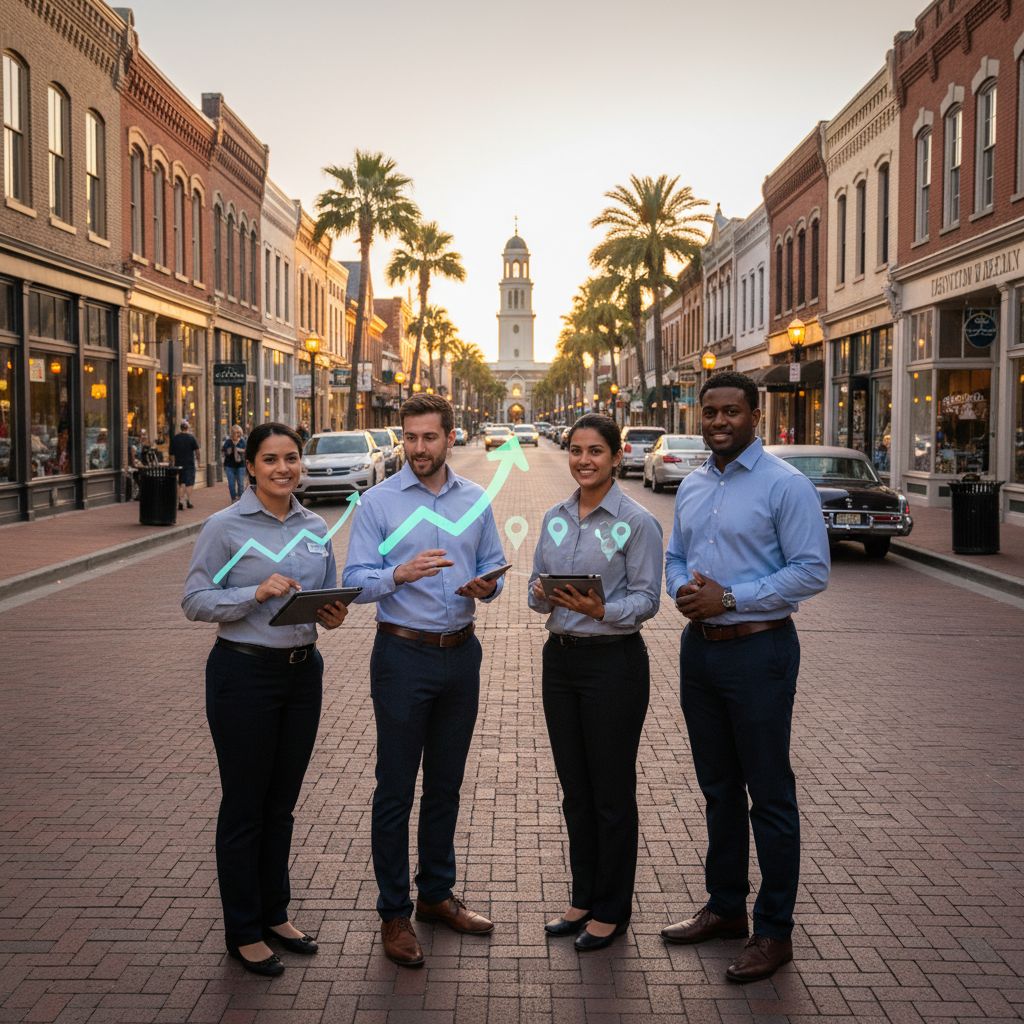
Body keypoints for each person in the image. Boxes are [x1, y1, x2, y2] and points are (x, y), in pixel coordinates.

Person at [662, 371, 830, 983]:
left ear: (754, 414)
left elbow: (812, 571)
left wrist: (730, 599)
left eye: (731, 411)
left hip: (760, 652)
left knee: (769, 792)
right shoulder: (693, 484)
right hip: (699, 651)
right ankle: (726, 907)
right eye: (710, 413)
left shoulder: (785, 485)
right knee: (718, 788)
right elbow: (676, 555)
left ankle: (774, 930)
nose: (719, 422)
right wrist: (681, 586)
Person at [343, 393, 507, 968]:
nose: (418, 448)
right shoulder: (379, 504)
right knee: (394, 788)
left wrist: (489, 586)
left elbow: (493, 564)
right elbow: (356, 582)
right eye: (410, 438)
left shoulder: (475, 500)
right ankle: (394, 912)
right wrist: (398, 573)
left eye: (429, 437)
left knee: (445, 785)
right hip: (402, 655)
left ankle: (436, 894)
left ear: (448, 435)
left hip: (461, 656)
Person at [182, 422, 349, 978]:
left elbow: (324, 592)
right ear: (250, 465)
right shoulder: (224, 526)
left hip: (303, 674)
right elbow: (196, 600)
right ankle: (244, 930)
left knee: (281, 803)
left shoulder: (314, 526)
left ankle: (275, 913)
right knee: (245, 806)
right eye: (272, 459)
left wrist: (332, 612)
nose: (284, 468)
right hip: (243, 675)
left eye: (292, 459)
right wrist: (252, 592)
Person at [528, 413, 663, 952]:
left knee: (611, 792)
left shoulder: (637, 522)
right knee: (575, 791)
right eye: (577, 451)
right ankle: (582, 897)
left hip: (613, 664)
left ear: (616, 457)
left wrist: (602, 608)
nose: (584, 460)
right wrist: (543, 592)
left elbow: (649, 600)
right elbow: (538, 591)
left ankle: (612, 908)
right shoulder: (555, 516)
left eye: (596, 452)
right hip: (560, 662)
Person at [169, 419, 200, 510]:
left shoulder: (175, 438)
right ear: (188, 428)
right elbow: (197, 452)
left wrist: (172, 463)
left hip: (178, 464)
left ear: (180, 428)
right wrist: (198, 461)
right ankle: (188, 501)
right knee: (189, 483)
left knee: (180, 483)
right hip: (189, 464)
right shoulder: (191, 438)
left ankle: (180, 501)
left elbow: (171, 454)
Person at [222, 424, 248, 502]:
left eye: (239, 432)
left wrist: (241, 450)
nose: (237, 434)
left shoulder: (243, 441)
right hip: (229, 465)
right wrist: (227, 451)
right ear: (232, 433)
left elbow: (247, 451)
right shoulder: (228, 441)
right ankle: (233, 499)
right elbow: (223, 451)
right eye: (236, 432)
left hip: (241, 465)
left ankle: (241, 499)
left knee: (240, 483)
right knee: (231, 484)